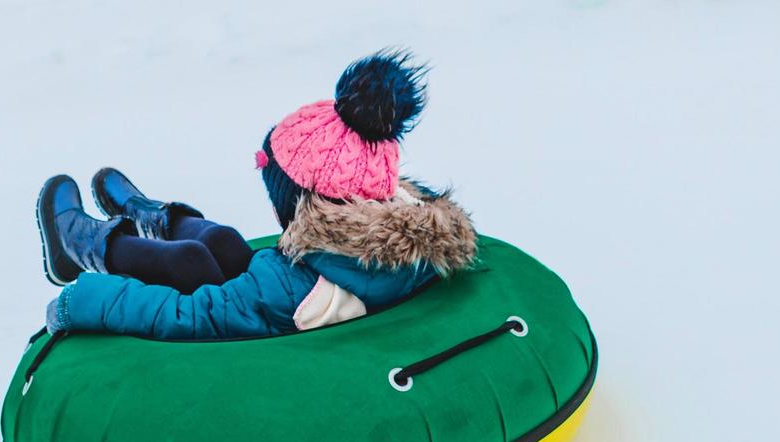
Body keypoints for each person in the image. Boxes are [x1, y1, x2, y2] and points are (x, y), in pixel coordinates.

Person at [35, 50, 478, 339]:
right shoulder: (412, 222)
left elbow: (188, 317)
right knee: (224, 242)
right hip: (308, 286)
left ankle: (86, 249)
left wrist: (82, 301)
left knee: (188, 263)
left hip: (278, 318)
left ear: (301, 201)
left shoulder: (293, 288)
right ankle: (156, 220)